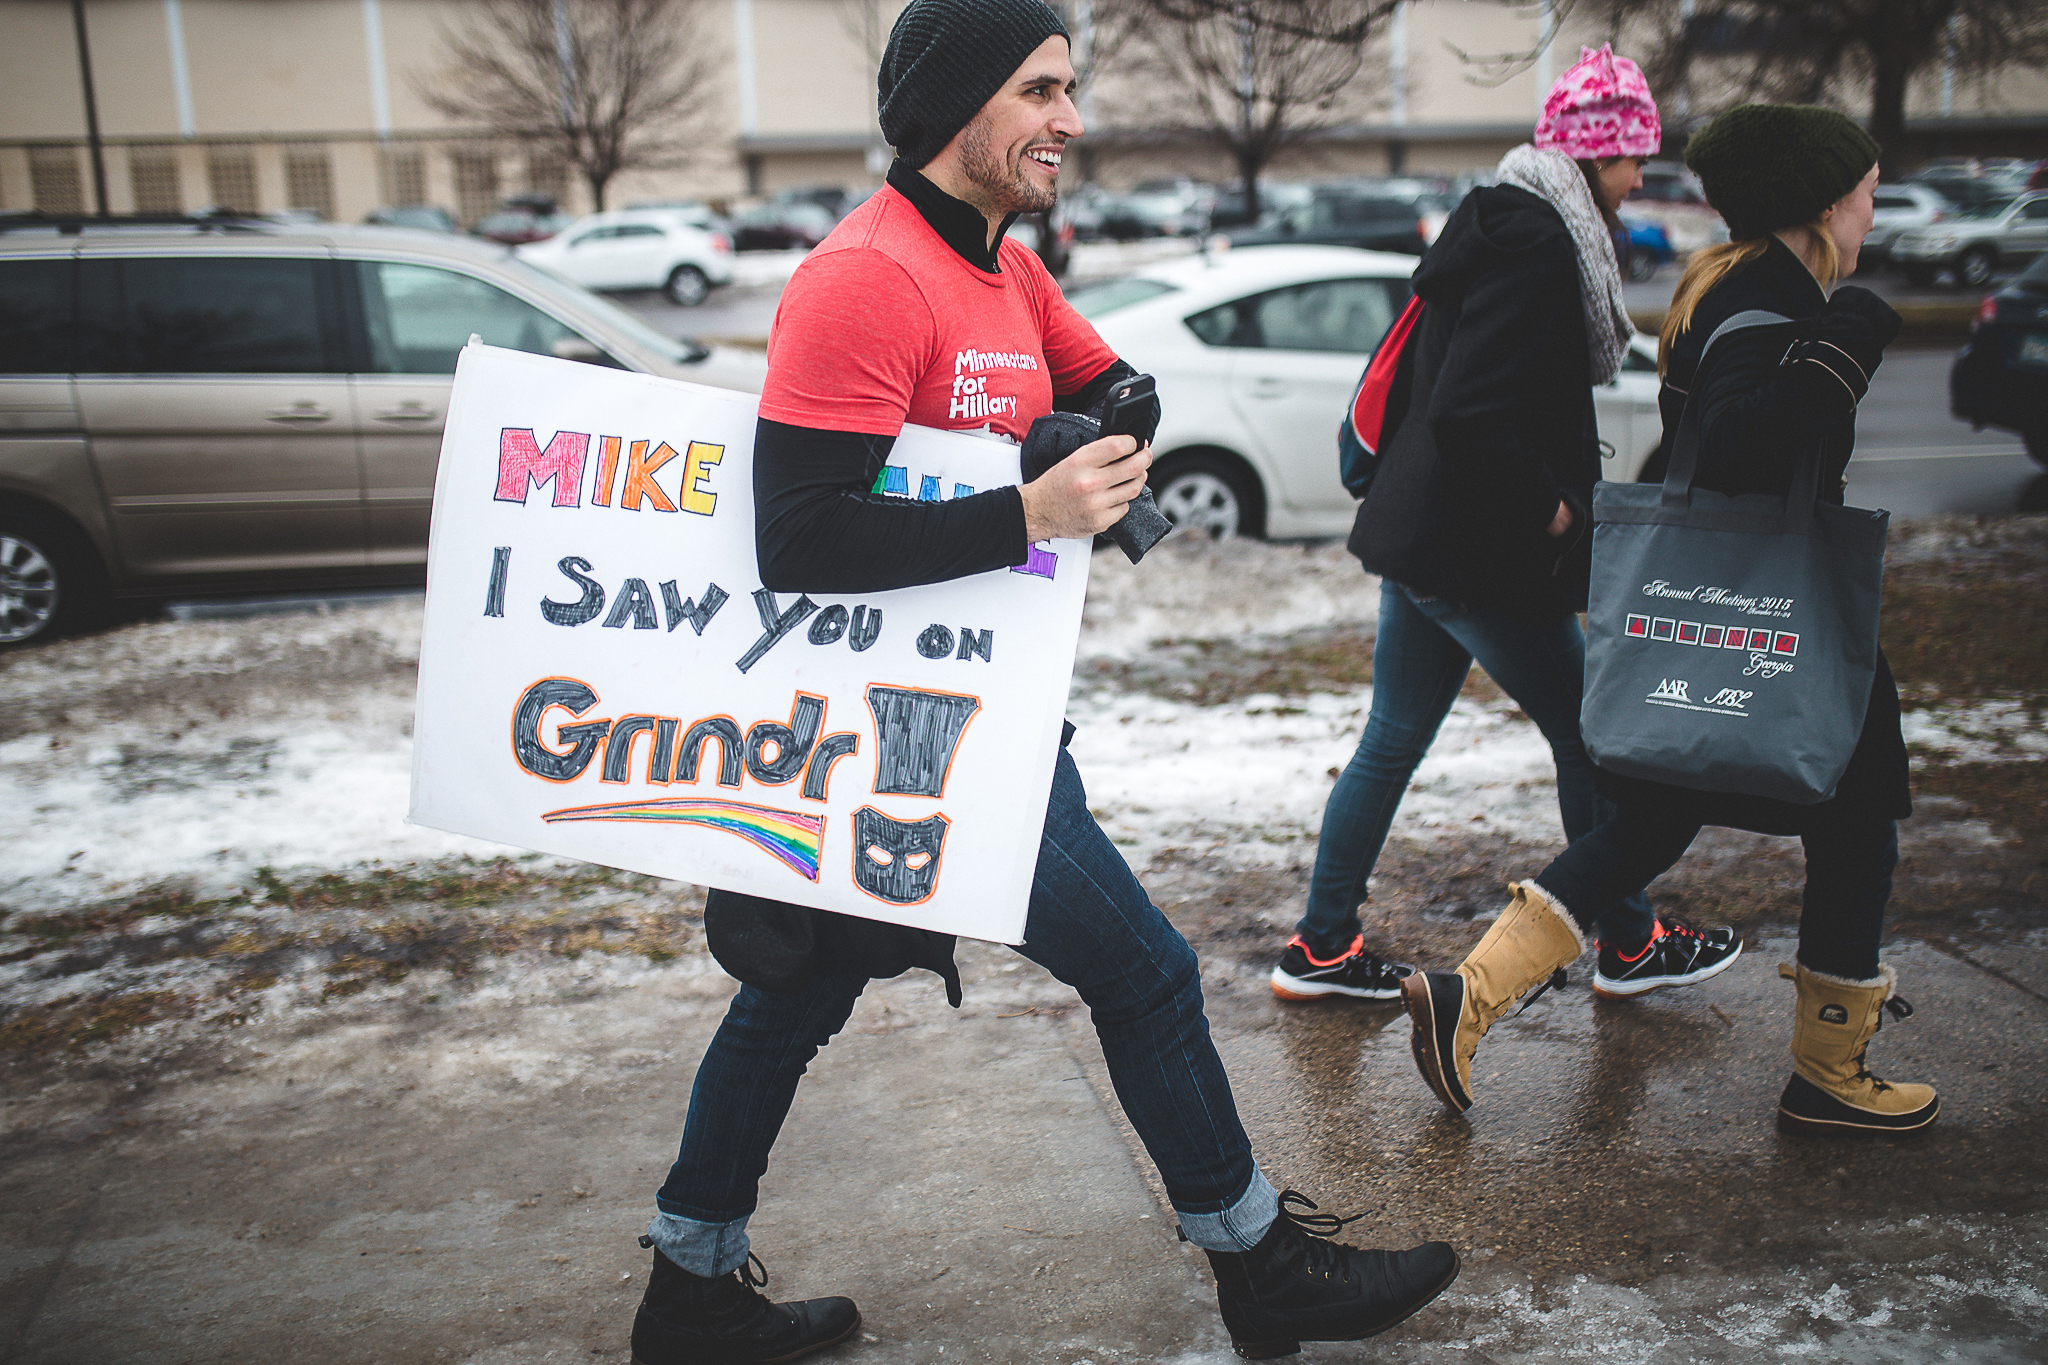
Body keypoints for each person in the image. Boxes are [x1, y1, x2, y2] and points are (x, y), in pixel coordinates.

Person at [625, 3, 1461, 1361]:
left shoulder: (1001, 271)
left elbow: (1113, 383)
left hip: (975, 707)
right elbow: (802, 535)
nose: (1070, 119)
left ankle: (687, 1283)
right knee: (1145, 973)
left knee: (794, 998)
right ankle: (1260, 1265)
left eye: (1070, 87)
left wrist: (1106, 423)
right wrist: (1029, 509)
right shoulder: (863, 278)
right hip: (916, 737)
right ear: (960, 104)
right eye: (1040, 89)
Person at [1402, 103, 1938, 1139]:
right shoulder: (1775, 300)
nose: (1873, 208)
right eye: (1866, 190)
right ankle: (1828, 1073)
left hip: (1706, 610)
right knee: (1858, 817)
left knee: (1649, 820)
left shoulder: (1729, 284)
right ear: (1823, 203)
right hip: (1770, 613)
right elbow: (1737, 441)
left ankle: (1469, 993)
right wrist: (1852, 334)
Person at [1271, 46, 1742, 1009]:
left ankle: (1319, 945)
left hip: (1427, 538)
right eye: (1629, 156)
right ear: (1590, 155)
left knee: (1392, 740)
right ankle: (1629, 937)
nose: (1639, 175)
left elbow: (1449, 395)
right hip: (1480, 550)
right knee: (1591, 735)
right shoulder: (1537, 243)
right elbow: (1474, 413)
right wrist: (1556, 505)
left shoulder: (1497, 222)